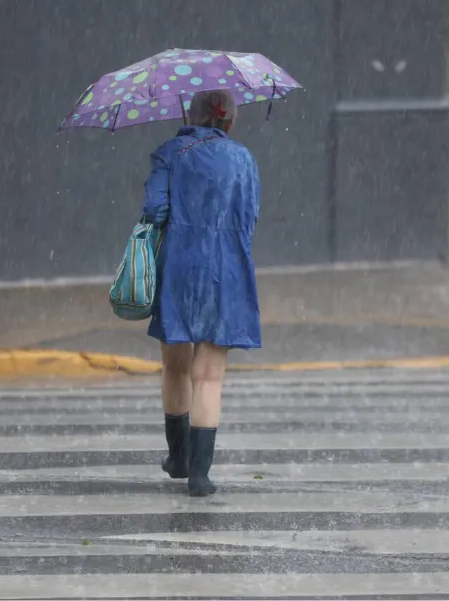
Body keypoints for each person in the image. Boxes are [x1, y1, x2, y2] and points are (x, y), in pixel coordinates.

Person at [141, 89, 261, 497]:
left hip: (178, 265)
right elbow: (250, 216)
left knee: (175, 367)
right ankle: (200, 474)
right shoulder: (244, 159)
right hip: (227, 268)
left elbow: (154, 210)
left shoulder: (170, 152)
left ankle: (177, 456)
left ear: (191, 116)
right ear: (229, 121)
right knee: (209, 376)